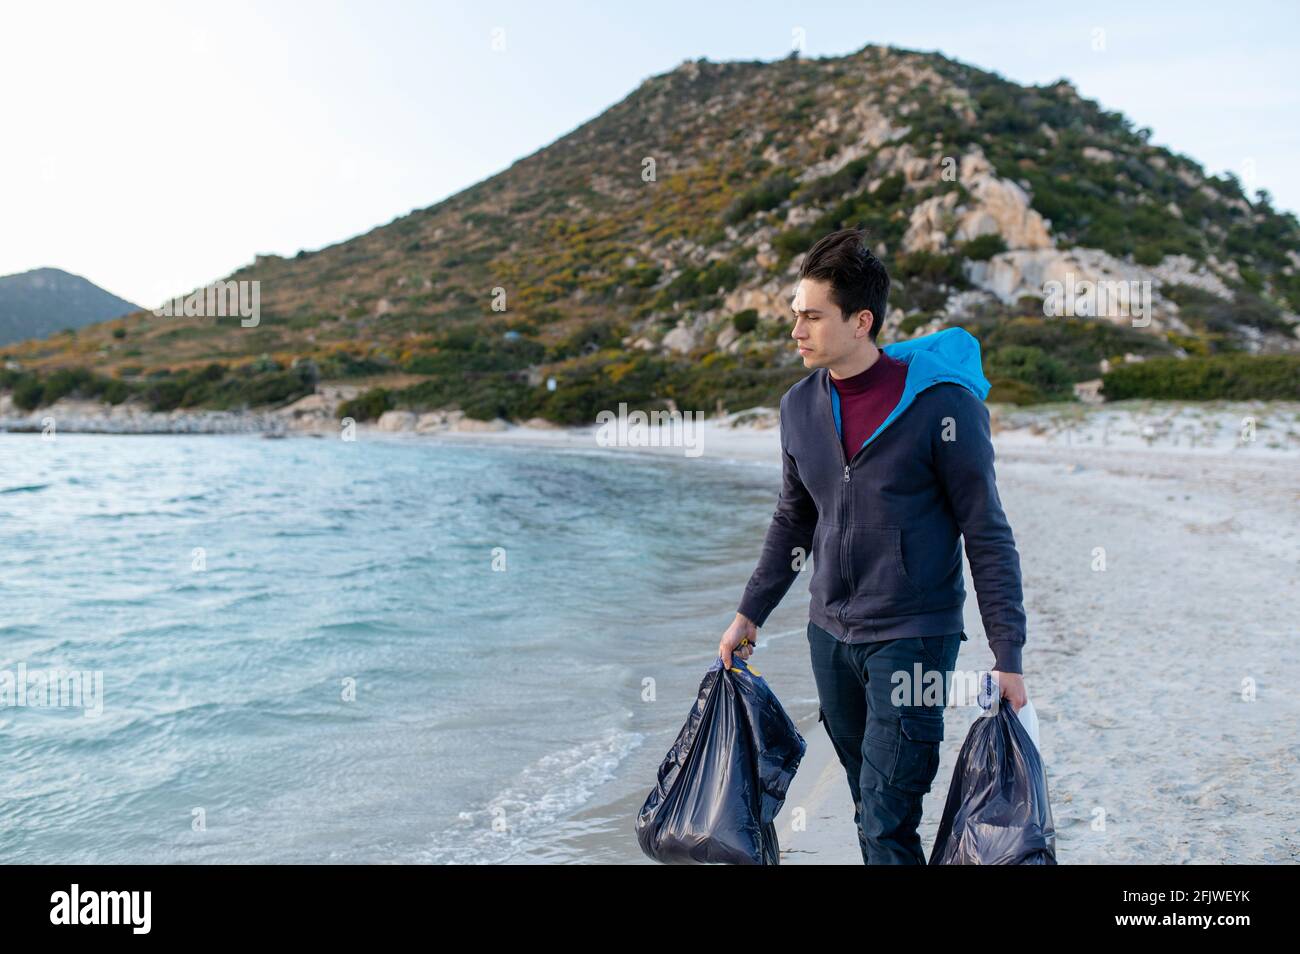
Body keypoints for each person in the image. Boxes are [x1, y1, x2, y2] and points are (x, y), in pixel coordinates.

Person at [717, 227, 1028, 865]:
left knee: (888, 817)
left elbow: (986, 530)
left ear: (861, 321)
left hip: (914, 634)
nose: (796, 330)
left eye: (811, 316)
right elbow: (792, 519)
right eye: (794, 315)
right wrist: (750, 611)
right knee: (869, 804)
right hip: (829, 637)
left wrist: (1008, 654)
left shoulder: (943, 407)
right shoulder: (798, 407)